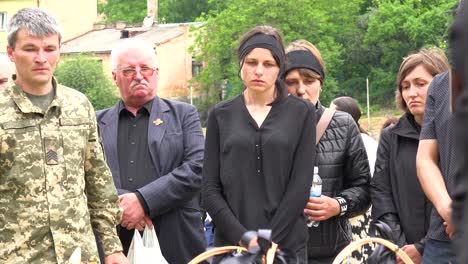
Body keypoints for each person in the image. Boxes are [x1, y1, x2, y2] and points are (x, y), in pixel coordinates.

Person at [0, 8, 127, 263]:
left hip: (78, 254)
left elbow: (98, 180)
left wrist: (112, 247)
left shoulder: (79, 105)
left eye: (49, 48)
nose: (41, 58)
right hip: (19, 256)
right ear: (11, 53)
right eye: (30, 49)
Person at [202, 25, 316, 263]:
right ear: (240, 65)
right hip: (233, 248)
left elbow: (300, 185)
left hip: (285, 247)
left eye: (268, 64)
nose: (259, 71)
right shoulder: (220, 115)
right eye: (252, 62)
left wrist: (269, 240)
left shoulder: (301, 113)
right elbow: (210, 189)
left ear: (279, 68)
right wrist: (245, 239)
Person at [96, 38, 206, 263]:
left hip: (176, 239)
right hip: (115, 243)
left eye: (145, 68)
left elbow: (198, 167)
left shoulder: (184, 114)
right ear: (115, 77)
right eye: (128, 70)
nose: (138, 75)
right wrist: (123, 206)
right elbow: (84, 178)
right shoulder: (95, 122)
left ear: (156, 72)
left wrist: (144, 201)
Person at [284, 40, 371, 263]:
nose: (301, 90)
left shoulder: (343, 125)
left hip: (331, 252)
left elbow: (364, 189)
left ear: (320, 83)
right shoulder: (265, 126)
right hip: (280, 251)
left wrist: (337, 205)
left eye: (309, 80)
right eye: (291, 82)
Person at [371, 48, 449, 264]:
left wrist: (423, 247)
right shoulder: (391, 136)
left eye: (420, 84)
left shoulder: (455, 133)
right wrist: (399, 247)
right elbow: (381, 193)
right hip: (399, 251)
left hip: (446, 247)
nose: (411, 92)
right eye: (405, 86)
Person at [330, 96, 377, 263]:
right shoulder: (367, 140)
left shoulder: (361, 142)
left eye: (332, 111)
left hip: (358, 211)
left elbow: (365, 181)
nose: (328, 116)